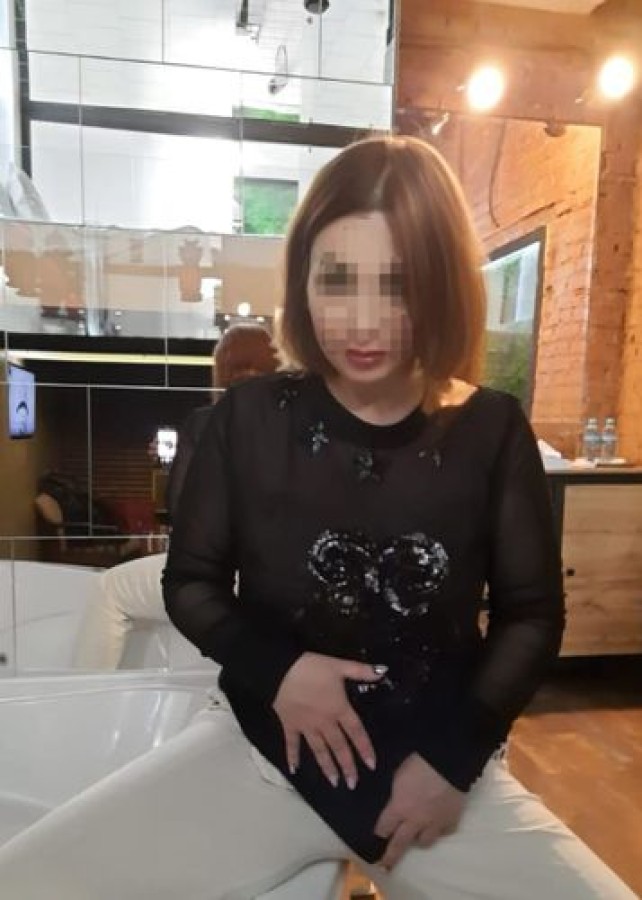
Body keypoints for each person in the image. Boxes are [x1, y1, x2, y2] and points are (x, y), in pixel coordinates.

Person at [2, 136, 634, 900]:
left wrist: (455, 760)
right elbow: (191, 582)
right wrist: (281, 672)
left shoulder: (492, 429)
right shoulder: (245, 419)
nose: (362, 321)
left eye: (397, 284)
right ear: (302, 278)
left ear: (440, 284)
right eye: (336, 280)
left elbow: (531, 615)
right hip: (260, 756)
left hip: (433, 776)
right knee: (27, 881)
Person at [71, 323, 279, 670]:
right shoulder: (298, 426)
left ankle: (87, 691)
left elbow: (181, 509)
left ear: (221, 370)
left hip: (228, 576)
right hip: (282, 576)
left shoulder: (206, 421)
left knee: (109, 590)